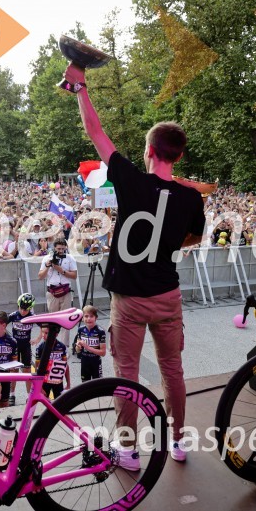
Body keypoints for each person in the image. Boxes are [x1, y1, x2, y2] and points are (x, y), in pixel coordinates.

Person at [65, 62, 205, 464]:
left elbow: (95, 132)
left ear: (149, 151)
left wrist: (80, 89)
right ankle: (178, 442)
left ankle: (128, 449)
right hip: (167, 295)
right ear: (179, 155)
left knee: (125, 372)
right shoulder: (191, 197)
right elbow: (194, 237)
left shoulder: (132, 180)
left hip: (129, 297)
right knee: (172, 370)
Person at [38, 239, 77, 345]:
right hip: (52, 292)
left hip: (66, 292)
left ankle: (64, 346)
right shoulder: (47, 258)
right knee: (53, 320)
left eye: (63, 249)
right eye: (59, 249)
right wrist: (47, 266)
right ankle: (52, 344)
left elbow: (74, 276)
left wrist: (60, 269)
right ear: (54, 248)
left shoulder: (69, 258)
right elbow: (40, 276)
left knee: (66, 319)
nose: (61, 251)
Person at [8, 293, 36, 403]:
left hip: (26, 346)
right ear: (18, 305)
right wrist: (7, 339)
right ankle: (12, 394)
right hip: (15, 347)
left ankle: (29, 395)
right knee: (14, 370)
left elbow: (44, 327)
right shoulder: (13, 315)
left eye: (26, 310)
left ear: (30, 308)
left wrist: (38, 338)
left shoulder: (33, 317)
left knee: (27, 371)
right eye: (21, 308)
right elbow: (2, 324)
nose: (23, 311)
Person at [34, 326, 71, 400]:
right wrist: (40, 387)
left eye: (46, 333)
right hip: (45, 381)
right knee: (44, 402)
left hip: (58, 381)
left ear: (56, 334)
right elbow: (37, 368)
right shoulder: (40, 348)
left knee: (60, 402)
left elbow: (65, 366)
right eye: (42, 332)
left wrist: (68, 384)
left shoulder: (62, 347)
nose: (43, 335)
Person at [76, 305, 106, 382]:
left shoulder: (100, 332)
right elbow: (78, 350)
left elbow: (103, 353)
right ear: (82, 318)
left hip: (95, 362)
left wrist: (87, 347)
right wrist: (78, 347)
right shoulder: (80, 330)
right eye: (86, 316)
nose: (88, 319)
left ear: (96, 318)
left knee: (97, 385)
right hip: (84, 361)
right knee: (85, 384)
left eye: (91, 316)